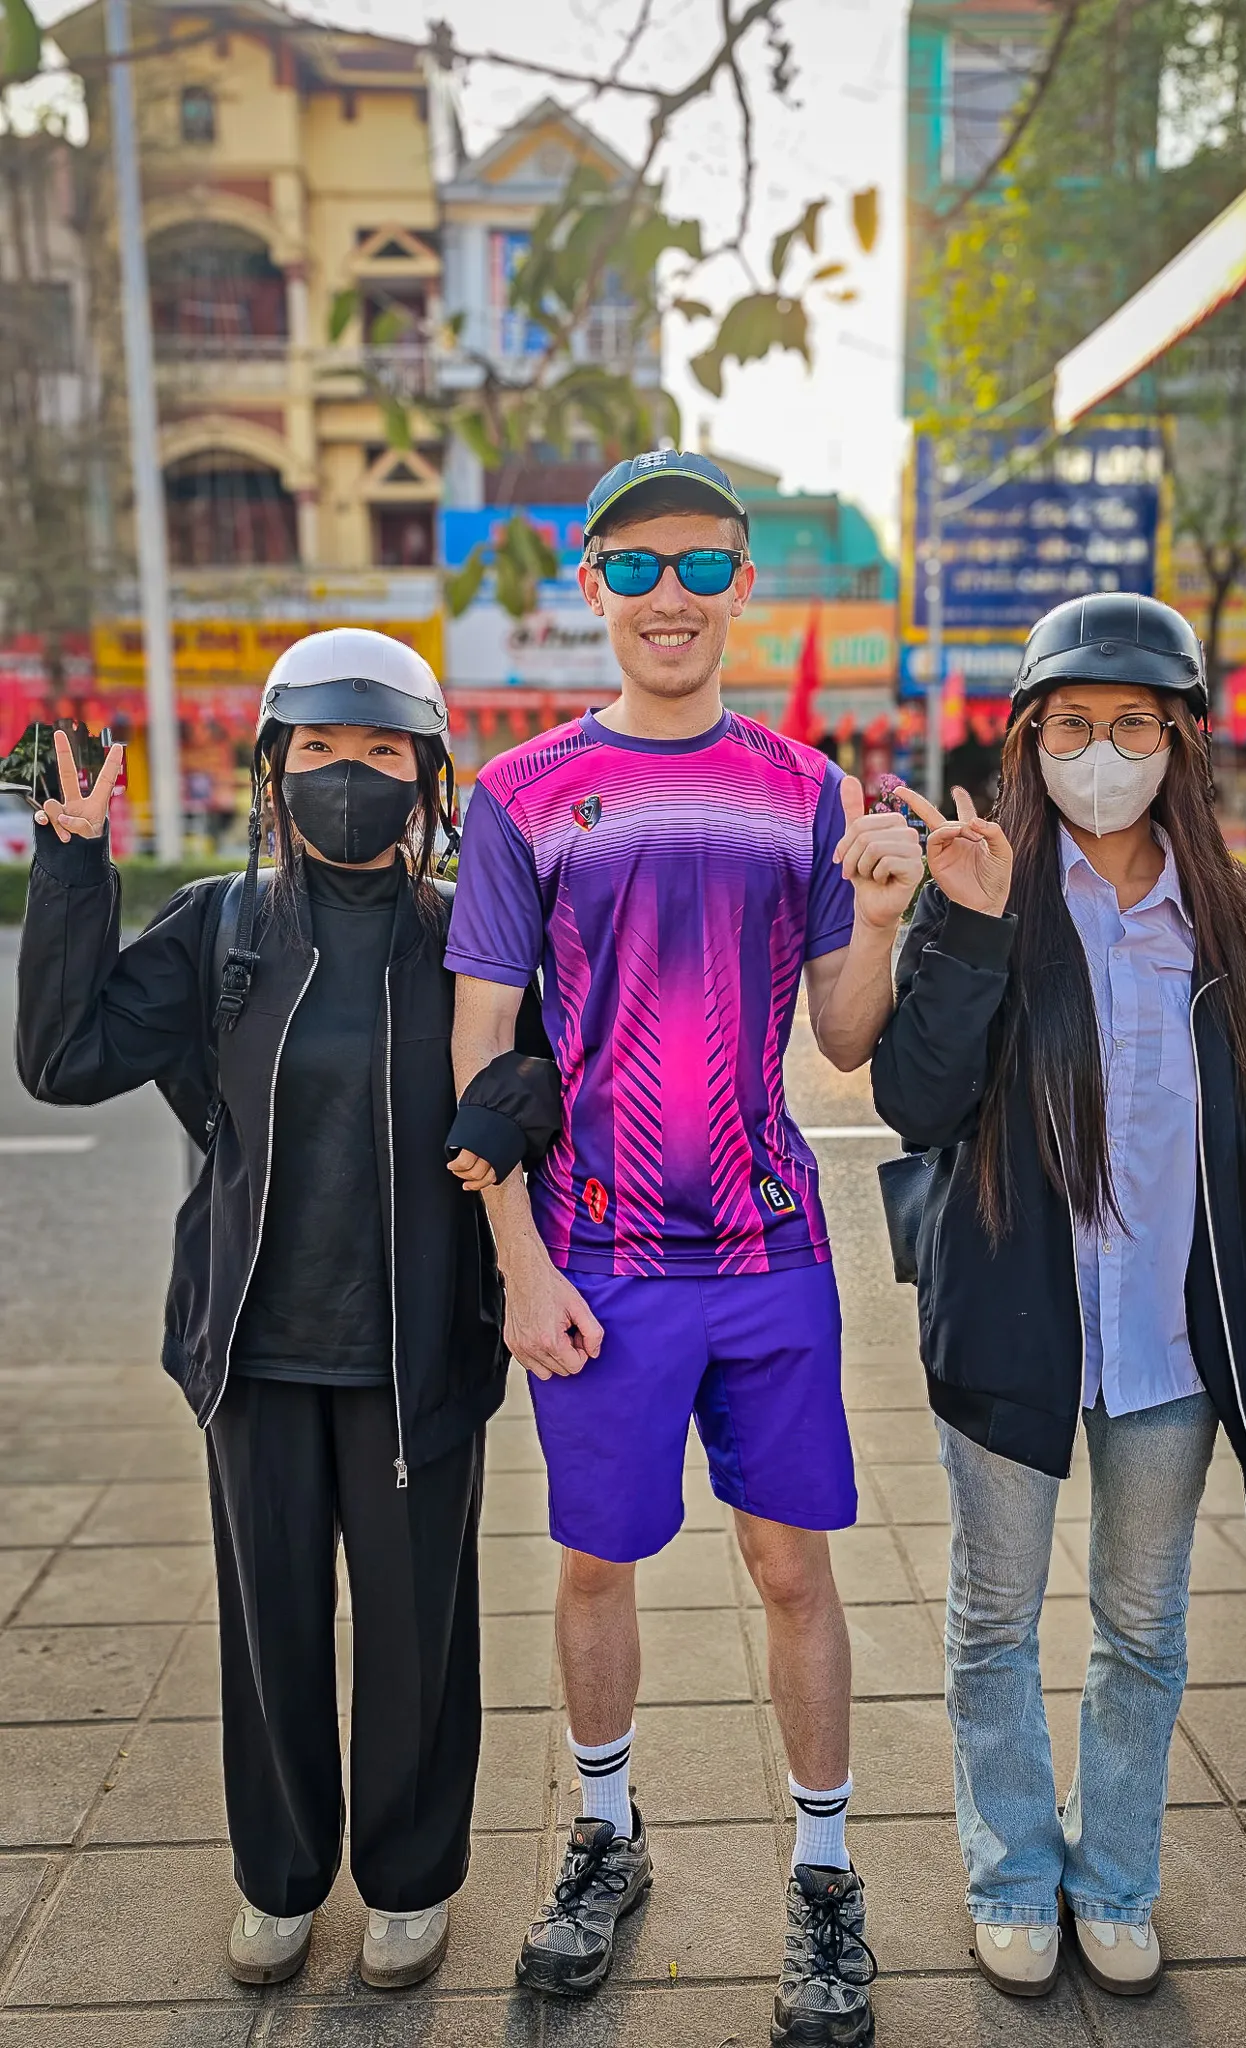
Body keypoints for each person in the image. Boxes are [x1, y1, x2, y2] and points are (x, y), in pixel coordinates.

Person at [443, 451, 921, 2046]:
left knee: (792, 1568)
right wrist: (518, 1260)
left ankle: (826, 1872)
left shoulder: (804, 789)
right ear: (591, 582)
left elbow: (841, 1045)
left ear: (740, 585)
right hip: (595, 1256)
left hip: (771, 1246)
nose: (670, 598)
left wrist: (881, 917)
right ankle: (601, 1834)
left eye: (703, 568)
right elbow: (482, 1055)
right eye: (637, 568)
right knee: (597, 1559)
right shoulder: (518, 794)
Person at [15, 630, 560, 1992]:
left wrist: (515, 1106)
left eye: (383, 754)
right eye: (321, 752)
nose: (350, 780)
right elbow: (66, 1059)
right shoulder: (221, 925)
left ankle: (411, 1882)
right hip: (251, 1348)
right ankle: (276, 1878)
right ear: (277, 769)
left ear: (429, 777)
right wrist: (72, 867)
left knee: (415, 1629)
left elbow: (550, 1076)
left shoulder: (470, 932)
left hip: (417, 1342)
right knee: (270, 1625)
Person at [870, 593, 1246, 2000]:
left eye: (1132, 725)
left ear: (1179, 742)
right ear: (1028, 738)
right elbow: (913, 1101)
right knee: (991, 1622)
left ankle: (1116, 1878)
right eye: (1072, 725)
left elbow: (1234, 1108)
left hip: (1169, 1339)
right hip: (1009, 1330)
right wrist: (960, 929)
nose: (1102, 752)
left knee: (1142, 1627)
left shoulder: (1219, 909)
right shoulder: (981, 887)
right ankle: (1014, 1873)